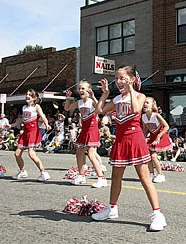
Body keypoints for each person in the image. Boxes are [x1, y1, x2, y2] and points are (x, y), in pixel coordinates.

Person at [92, 65, 166, 231]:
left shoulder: (140, 96)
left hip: (135, 139)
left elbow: (136, 109)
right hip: (120, 140)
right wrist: (104, 94)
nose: (118, 82)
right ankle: (112, 209)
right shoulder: (117, 99)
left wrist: (131, 89)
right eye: (117, 79)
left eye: (122, 78)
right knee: (116, 178)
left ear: (132, 80)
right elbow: (99, 111)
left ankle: (157, 214)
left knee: (144, 178)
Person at [64, 81, 108, 188]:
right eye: (79, 89)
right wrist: (68, 98)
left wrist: (93, 97)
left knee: (92, 155)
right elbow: (67, 108)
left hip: (92, 129)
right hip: (84, 130)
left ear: (89, 90)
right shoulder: (79, 102)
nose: (80, 91)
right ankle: (81, 175)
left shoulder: (91, 101)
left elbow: (99, 110)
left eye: (83, 88)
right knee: (79, 153)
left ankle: (101, 178)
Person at [9, 89, 51, 182]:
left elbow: (43, 116)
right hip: (25, 132)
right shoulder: (24, 107)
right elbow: (21, 120)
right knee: (17, 153)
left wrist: (47, 124)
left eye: (30, 95)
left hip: (33, 132)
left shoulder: (36, 107)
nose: (27, 96)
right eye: (26, 94)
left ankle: (44, 172)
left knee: (31, 153)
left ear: (34, 98)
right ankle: (22, 171)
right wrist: (11, 125)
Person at [142, 96, 172, 183]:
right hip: (152, 137)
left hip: (161, 136)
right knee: (148, 156)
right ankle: (151, 174)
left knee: (153, 156)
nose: (145, 104)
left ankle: (160, 174)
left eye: (147, 103)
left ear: (152, 105)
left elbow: (166, 127)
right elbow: (145, 129)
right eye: (144, 102)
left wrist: (158, 136)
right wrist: (143, 138)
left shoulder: (156, 115)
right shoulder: (143, 116)